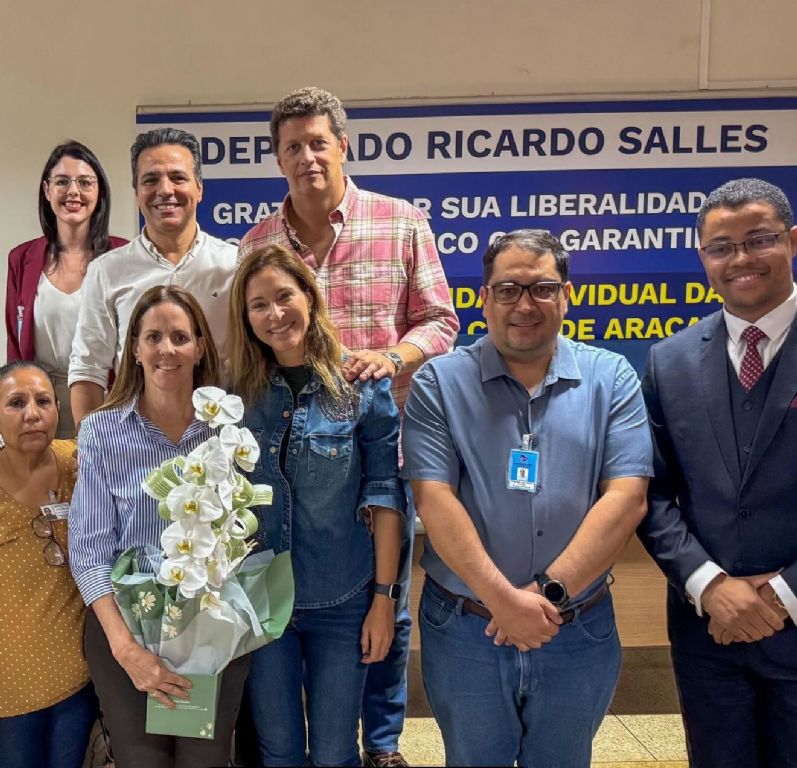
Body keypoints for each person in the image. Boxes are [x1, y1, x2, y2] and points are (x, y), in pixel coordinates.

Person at [238, 86, 459, 767]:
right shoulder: (258, 242)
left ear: (342, 145)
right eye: (292, 147)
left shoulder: (401, 222)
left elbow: (441, 321)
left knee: (382, 606)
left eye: (317, 142)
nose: (306, 156)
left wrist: (391, 359)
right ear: (278, 159)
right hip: (292, 453)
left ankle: (382, 744)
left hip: (381, 444)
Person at [401, 229, 653, 767]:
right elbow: (433, 499)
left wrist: (546, 594)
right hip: (466, 629)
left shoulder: (612, 378)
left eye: (542, 288)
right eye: (508, 289)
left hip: (576, 629)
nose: (525, 305)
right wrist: (503, 601)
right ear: (484, 298)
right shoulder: (439, 383)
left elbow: (627, 497)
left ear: (566, 295)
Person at [227, 245, 405, 767]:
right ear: (246, 317)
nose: (275, 314)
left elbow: (386, 496)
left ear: (309, 295)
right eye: (259, 305)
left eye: (285, 296)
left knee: (333, 753)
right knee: (279, 751)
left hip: (342, 597)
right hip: (262, 602)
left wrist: (384, 601)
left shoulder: (360, 387)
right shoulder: (236, 395)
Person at [640, 178, 797, 768]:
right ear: (702, 256)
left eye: (759, 240)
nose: (740, 259)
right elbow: (650, 492)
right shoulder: (670, 360)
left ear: (792, 241)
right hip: (708, 631)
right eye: (721, 247)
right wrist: (708, 584)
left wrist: (782, 595)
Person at [68, 286, 250, 768]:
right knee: (143, 760)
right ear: (134, 348)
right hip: (125, 627)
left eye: (180, 337)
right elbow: (89, 552)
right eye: (153, 337)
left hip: (210, 631)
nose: (167, 349)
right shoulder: (102, 431)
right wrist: (126, 649)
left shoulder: (226, 430)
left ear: (200, 347)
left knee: (204, 759)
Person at [68, 127, 236, 428]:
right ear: (136, 193)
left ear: (199, 188)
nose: (165, 190)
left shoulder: (234, 265)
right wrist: (93, 444)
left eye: (178, 177)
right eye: (151, 180)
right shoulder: (106, 271)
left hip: (221, 438)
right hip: (135, 440)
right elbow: (88, 370)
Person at [0, 361, 98, 768]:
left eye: (43, 401)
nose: (33, 414)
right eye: (16, 403)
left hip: (78, 677)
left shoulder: (80, 462)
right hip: (10, 689)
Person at [6, 141, 127, 437]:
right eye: (62, 182)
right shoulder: (21, 258)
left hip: (107, 402)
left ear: (99, 192)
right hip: (41, 405)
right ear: (47, 190)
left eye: (85, 182)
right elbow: (14, 344)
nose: (73, 191)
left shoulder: (123, 256)